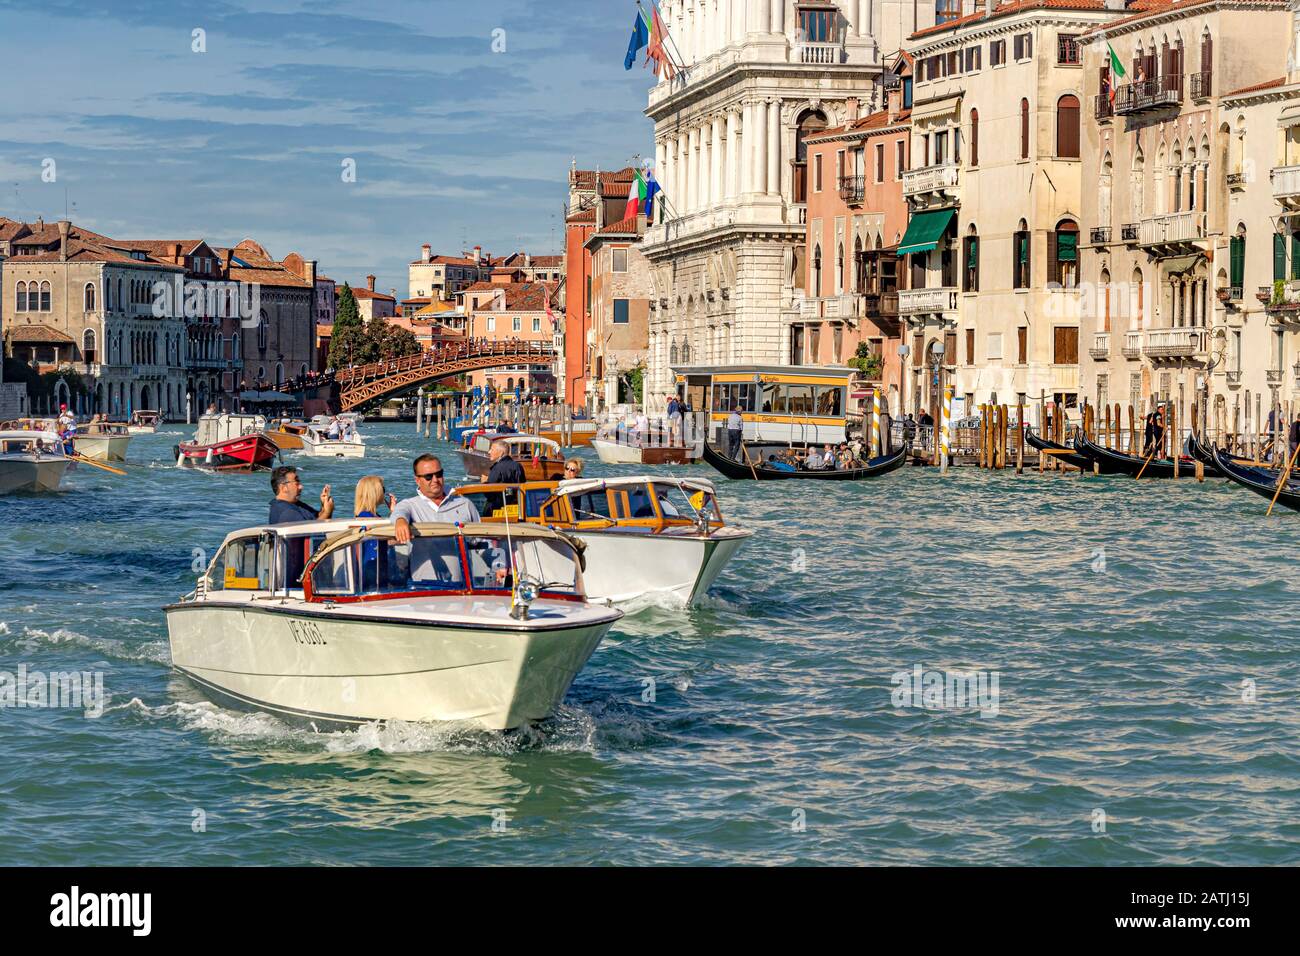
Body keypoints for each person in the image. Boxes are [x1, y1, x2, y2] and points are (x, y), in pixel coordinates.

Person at [268, 465, 334, 524]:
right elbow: (312, 534)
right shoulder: (287, 512)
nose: (301, 487)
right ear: (283, 488)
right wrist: (327, 512)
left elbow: (318, 517)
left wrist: (324, 505)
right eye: (297, 483)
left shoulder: (296, 504)